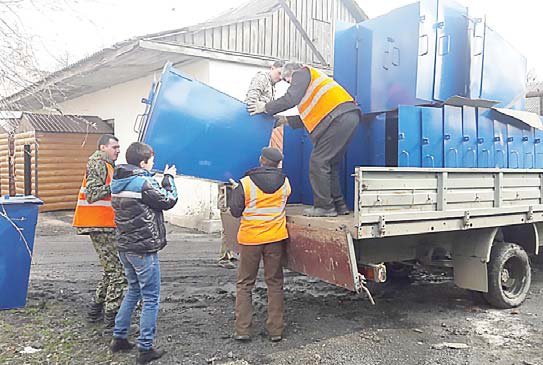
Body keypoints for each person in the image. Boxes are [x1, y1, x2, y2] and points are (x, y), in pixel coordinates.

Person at [248, 62, 361, 217]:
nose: (289, 84)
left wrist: (265, 107)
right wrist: (284, 120)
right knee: (329, 164)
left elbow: (290, 98)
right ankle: (339, 205)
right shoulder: (312, 86)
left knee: (318, 162)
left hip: (338, 118)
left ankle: (324, 207)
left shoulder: (301, 72)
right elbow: (310, 115)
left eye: (287, 80)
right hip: (346, 116)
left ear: (291, 73)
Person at [108, 142, 178, 364]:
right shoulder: (142, 183)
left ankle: (119, 337)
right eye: (151, 160)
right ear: (142, 162)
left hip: (125, 247)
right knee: (150, 297)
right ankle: (145, 348)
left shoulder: (118, 181)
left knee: (133, 290)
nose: (153, 163)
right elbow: (168, 200)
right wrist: (169, 179)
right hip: (143, 249)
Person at [217, 61, 286, 270]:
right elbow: (250, 104)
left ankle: (228, 251)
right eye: (280, 73)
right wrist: (265, 114)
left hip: (256, 231)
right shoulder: (261, 79)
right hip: (259, 232)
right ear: (272, 67)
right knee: (228, 206)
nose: (281, 77)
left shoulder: (272, 86)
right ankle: (226, 253)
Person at [228, 147, 291, 342]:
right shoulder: (285, 182)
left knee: (245, 284)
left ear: (261, 160)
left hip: (251, 240)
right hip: (275, 239)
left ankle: (243, 330)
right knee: (274, 283)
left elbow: (235, 211)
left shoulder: (245, 183)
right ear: (278, 163)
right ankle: (275, 331)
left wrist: (235, 192)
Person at [73, 134, 126, 328]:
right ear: (103, 147)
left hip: (105, 224)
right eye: (114, 147)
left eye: (119, 147)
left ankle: (95, 312)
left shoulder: (107, 165)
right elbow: (93, 194)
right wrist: (117, 186)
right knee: (119, 274)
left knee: (110, 271)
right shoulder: (98, 164)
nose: (118, 150)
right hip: (99, 225)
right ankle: (111, 321)